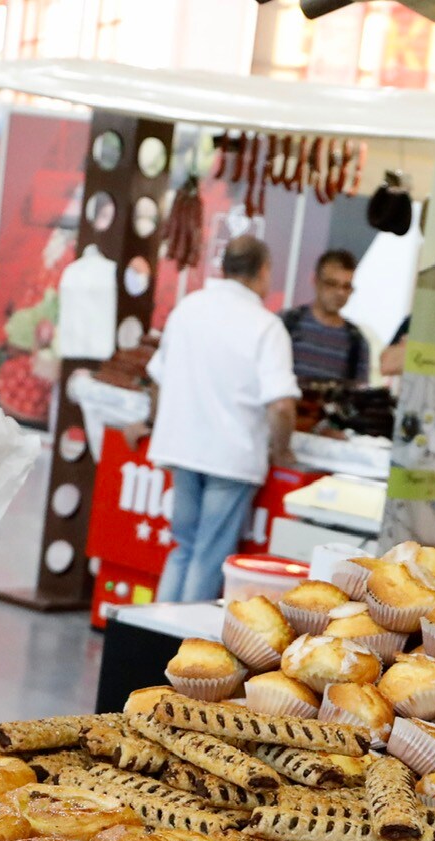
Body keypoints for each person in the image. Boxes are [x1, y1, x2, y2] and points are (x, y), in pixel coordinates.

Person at [146, 233, 297, 603]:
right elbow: (281, 405)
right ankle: (185, 651)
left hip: (182, 449)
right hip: (231, 458)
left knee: (182, 548)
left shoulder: (188, 309)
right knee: (208, 557)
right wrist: (283, 452)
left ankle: (153, 637)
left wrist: (153, 425)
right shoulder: (266, 326)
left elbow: (156, 380)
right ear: (264, 271)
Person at [281, 248, 368, 384]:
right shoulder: (287, 324)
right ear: (315, 281)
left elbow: (358, 395)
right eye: (332, 284)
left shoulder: (356, 342)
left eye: (346, 287)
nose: (340, 293)